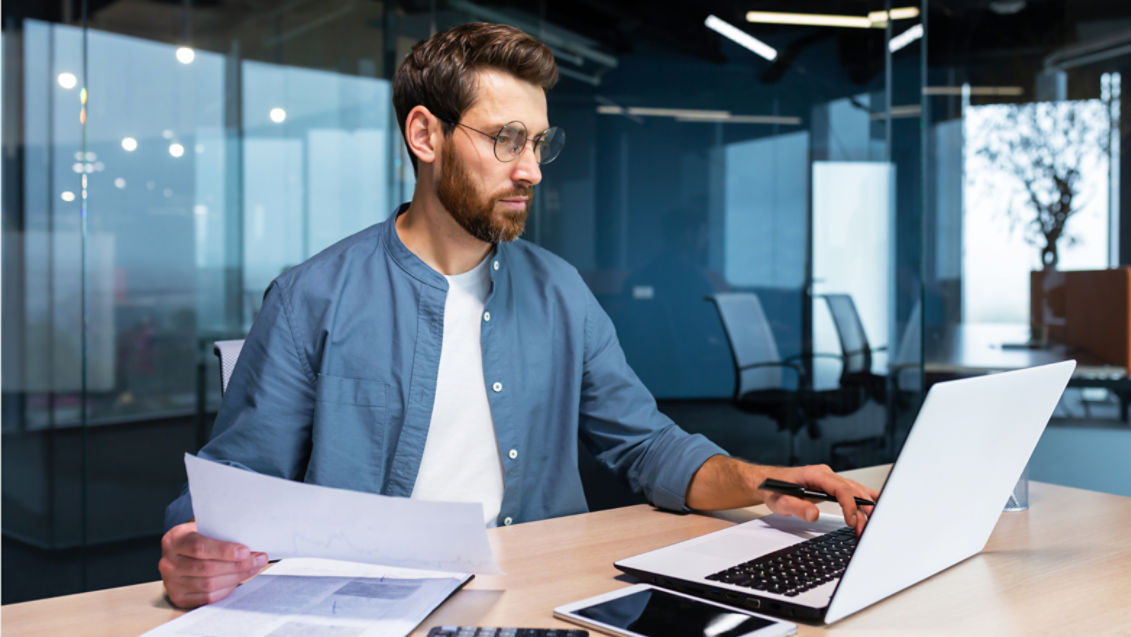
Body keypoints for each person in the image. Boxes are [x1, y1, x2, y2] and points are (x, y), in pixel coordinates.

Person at [159, 22, 879, 609]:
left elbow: (647, 447)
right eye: (506, 139)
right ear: (425, 135)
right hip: (367, 607)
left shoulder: (559, 290)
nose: (530, 169)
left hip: (540, 594)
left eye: (537, 143)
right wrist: (192, 544)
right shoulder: (311, 295)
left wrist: (773, 480)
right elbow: (232, 487)